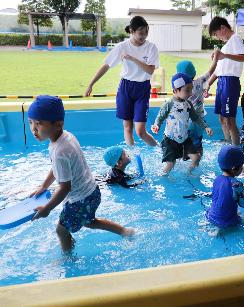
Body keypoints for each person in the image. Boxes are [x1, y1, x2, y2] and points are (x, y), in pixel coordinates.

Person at [28, 96, 133, 251]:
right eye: (31, 122)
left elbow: (65, 188)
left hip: (79, 200)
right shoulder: (66, 137)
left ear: (58, 124)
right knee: (89, 221)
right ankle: (125, 231)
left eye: (39, 123)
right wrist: (44, 186)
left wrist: (47, 209)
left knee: (61, 229)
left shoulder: (60, 151)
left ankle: (68, 258)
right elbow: (56, 168)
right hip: (91, 191)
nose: (34, 129)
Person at [85, 16, 159, 147]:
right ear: (132, 31)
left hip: (142, 88)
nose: (144, 36)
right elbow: (106, 65)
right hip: (126, 87)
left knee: (140, 131)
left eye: (146, 32)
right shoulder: (122, 47)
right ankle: (134, 156)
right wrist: (91, 84)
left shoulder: (151, 47)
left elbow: (150, 71)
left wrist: (132, 58)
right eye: (141, 33)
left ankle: (160, 149)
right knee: (127, 127)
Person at [152, 73, 213, 174]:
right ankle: (163, 176)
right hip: (170, 140)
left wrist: (206, 127)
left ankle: (189, 173)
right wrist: (156, 125)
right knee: (171, 164)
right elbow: (160, 117)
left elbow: (196, 118)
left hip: (185, 139)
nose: (190, 93)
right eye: (187, 90)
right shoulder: (169, 104)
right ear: (175, 90)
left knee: (196, 157)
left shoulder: (188, 104)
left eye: (191, 89)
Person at [207, 17, 244, 145]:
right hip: (222, 82)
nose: (216, 37)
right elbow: (219, 71)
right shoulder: (226, 46)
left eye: (216, 33)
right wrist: (207, 84)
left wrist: (224, 56)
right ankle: (227, 142)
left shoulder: (235, 39)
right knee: (222, 117)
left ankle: (235, 148)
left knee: (230, 120)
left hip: (230, 83)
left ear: (223, 28)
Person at [176, 52, 219, 157]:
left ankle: (185, 157)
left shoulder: (179, 88)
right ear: (194, 73)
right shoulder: (200, 81)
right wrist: (216, 58)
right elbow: (211, 70)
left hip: (185, 121)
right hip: (198, 121)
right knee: (197, 143)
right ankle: (197, 160)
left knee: (184, 142)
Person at [206, 145, 244, 228]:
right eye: (241, 166)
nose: (242, 168)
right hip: (227, 221)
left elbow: (226, 194)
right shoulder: (236, 184)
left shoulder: (217, 179)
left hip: (211, 216)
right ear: (234, 168)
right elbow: (243, 203)